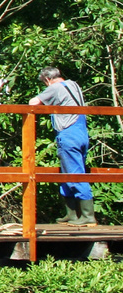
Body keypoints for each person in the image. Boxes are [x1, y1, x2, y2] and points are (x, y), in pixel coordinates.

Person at [29, 65, 95, 225]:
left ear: (47, 79)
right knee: (67, 173)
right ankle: (71, 215)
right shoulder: (73, 84)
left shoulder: (55, 87)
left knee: (76, 174)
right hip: (81, 132)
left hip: (68, 134)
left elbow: (33, 102)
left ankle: (88, 216)